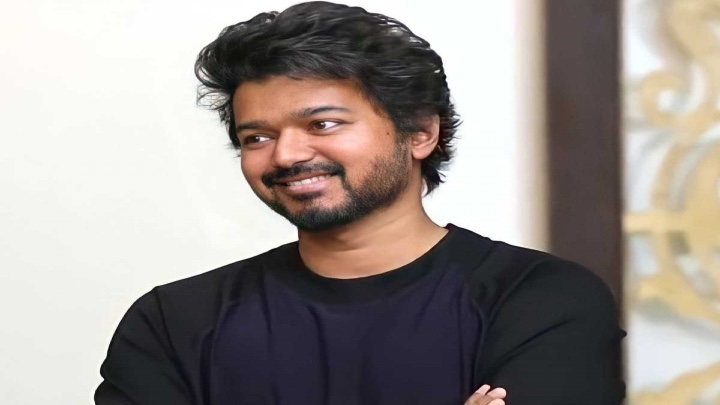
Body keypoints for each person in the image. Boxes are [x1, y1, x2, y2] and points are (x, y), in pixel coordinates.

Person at [94, 2, 625, 404]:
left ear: (420, 132)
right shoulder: (176, 322)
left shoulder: (540, 302)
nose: (286, 154)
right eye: (257, 137)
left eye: (322, 124)